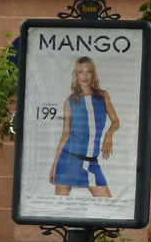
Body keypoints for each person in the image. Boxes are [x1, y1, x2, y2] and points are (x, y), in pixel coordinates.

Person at [49, 56, 120, 197]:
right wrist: (54, 165)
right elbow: (65, 135)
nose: (84, 76)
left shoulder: (103, 96)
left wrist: (108, 135)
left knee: (108, 205)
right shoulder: (69, 102)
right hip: (69, 160)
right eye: (80, 72)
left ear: (93, 74)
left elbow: (116, 122)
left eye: (88, 72)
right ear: (76, 75)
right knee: (58, 209)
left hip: (91, 162)